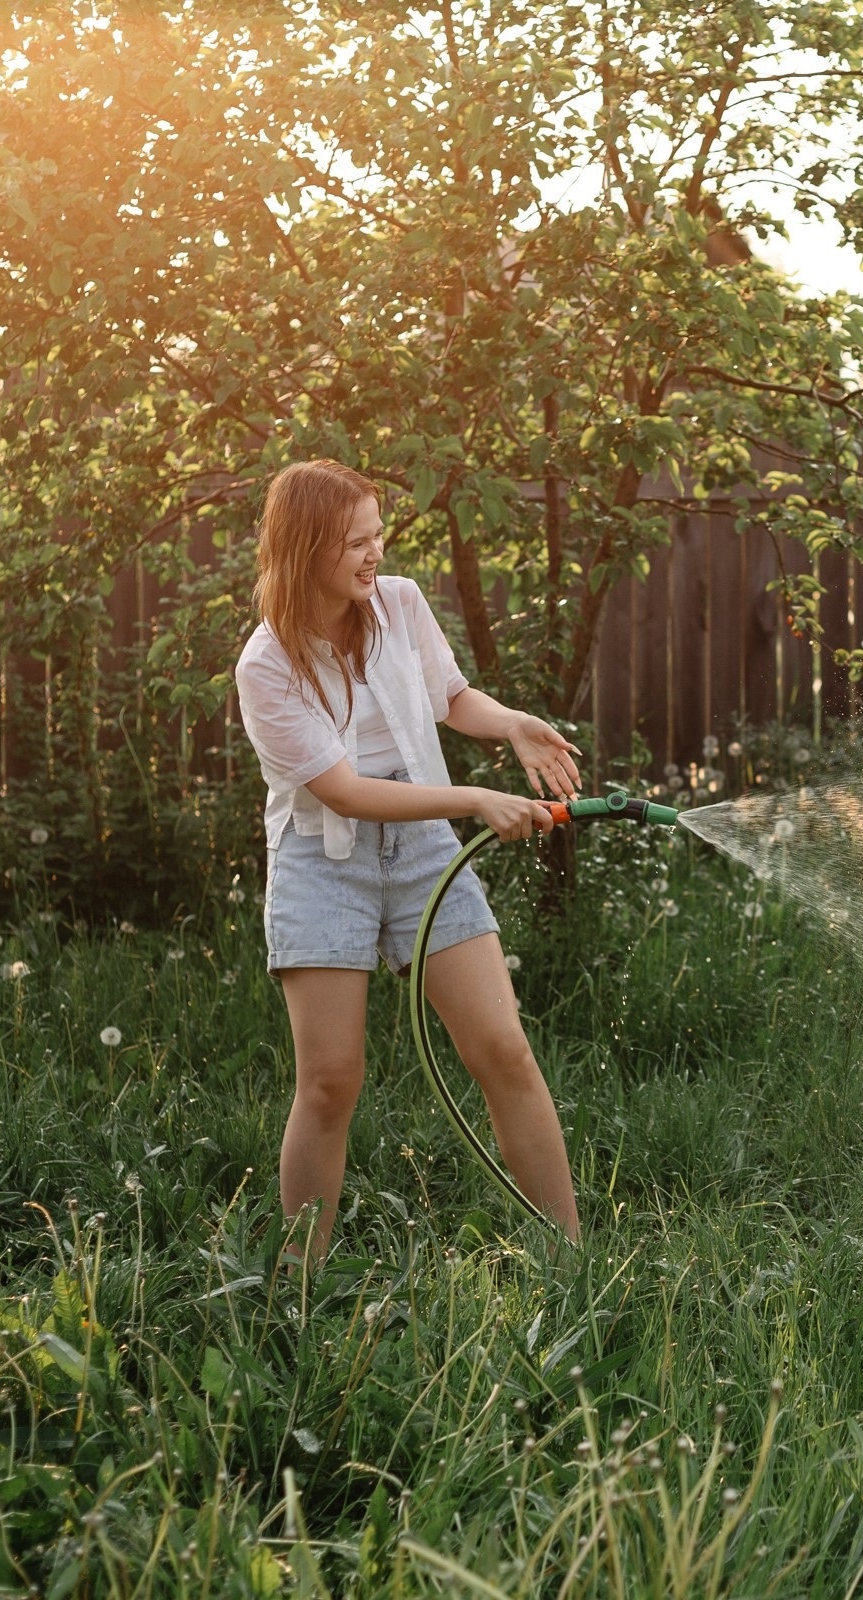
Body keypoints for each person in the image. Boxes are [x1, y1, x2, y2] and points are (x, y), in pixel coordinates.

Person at [236, 458, 585, 1256]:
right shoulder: (265, 665)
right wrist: (473, 800)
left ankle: (571, 1259)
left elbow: (450, 697)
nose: (374, 555)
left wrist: (510, 725)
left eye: (377, 536)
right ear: (304, 549)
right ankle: (300, 1283)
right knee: (331, 1082)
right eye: (354, 542)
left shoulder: (398, 604)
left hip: (424, 849)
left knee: (503, 1048)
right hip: (324, 861)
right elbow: (347, 793)